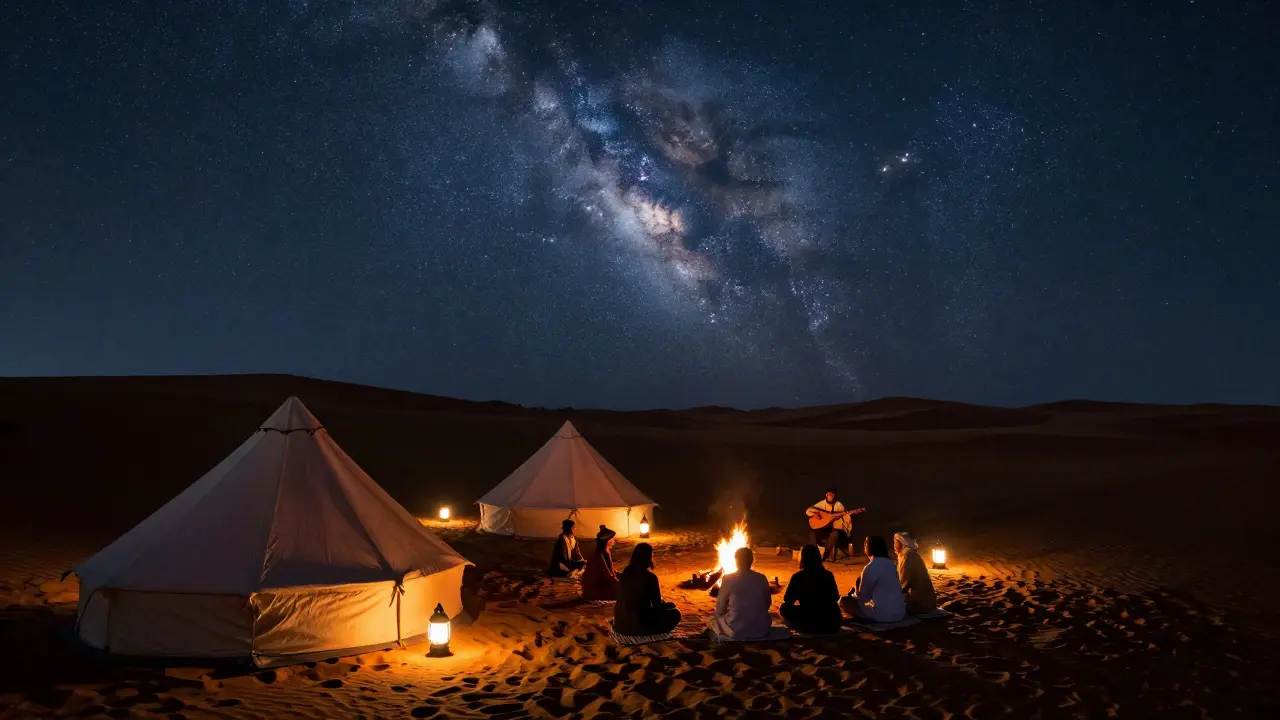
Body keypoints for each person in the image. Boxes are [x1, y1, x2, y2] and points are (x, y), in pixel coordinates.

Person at [614, 543, 682, 635]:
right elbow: (656, 606)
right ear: (649, 557)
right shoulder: (650, 577)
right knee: (675, 613)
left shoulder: (627, 571)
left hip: (621, 624)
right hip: (638, 626)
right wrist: (666, 606)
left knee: (667, 606)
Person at [707, 547, 774, 639]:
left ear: (736, 561)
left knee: (714, 619)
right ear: (752, 560)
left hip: (736, 630)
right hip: (761, 630)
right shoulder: (762, 578)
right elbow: (767, 603)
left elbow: (719, 608)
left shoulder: (728, 579)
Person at [839, 536, 907, 623]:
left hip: (884, 615)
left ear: (869, 548)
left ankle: (863, 619)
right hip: (900, 613)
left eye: (866, 544)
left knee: (843, 601)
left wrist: (854, 594)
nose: (864, 546)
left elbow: (863, 599)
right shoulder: (891, 564)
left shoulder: (870, 568)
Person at [779, 544, 843, 634]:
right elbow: (835, 598)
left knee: (784, 608)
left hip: (809, 621)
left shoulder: (798, 577)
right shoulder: (828, 575)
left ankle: (800, 625)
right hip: (831, 622)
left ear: (803, 559)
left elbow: (788, 600)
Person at [894, 532, 937, 614]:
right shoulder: (912, 555)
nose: (894, 545)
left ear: (902, 543)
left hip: (921, 604)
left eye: (895, 542)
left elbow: (902, 586)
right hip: (928, 603)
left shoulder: (909, 558)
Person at [805, 488, 855, 561]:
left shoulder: (839, 505)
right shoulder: (822, 504)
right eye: (828, 495)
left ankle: (825, 555)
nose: (830, 496)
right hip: (825, 528)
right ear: (826, 495)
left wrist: (847, 530)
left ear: (834, 496)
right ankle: (813, 554)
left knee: (835, 534)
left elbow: (847, 519)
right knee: (812, 532)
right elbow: (808, 510)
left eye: (832, 495)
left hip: (835, 529)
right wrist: (815, 514)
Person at [581, 525, 620, 601]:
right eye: (612, 539)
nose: (614, 542)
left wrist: (627, 575)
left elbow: (614, 572)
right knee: (625, 590)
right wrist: (621, 584)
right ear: (607, 541)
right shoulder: (598, 556)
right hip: (595, 590)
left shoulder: (606, 553)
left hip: (603, 586)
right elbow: (608, 576)